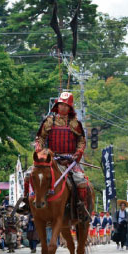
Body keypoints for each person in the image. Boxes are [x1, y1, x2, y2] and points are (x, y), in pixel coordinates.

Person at [25, 92, 91, 222]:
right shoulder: (49, 121)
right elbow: (40, 138)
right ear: (57, 105)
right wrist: (40, 149)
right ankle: (26, 202)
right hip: (50, 159)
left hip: (69, 161)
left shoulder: (75, 124)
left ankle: (81, 207)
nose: (63, 108)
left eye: (66, 105)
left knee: (81, 181)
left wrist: (77, 154)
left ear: (70, 107)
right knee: (28, 174)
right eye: (61, 105)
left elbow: (81, 141)